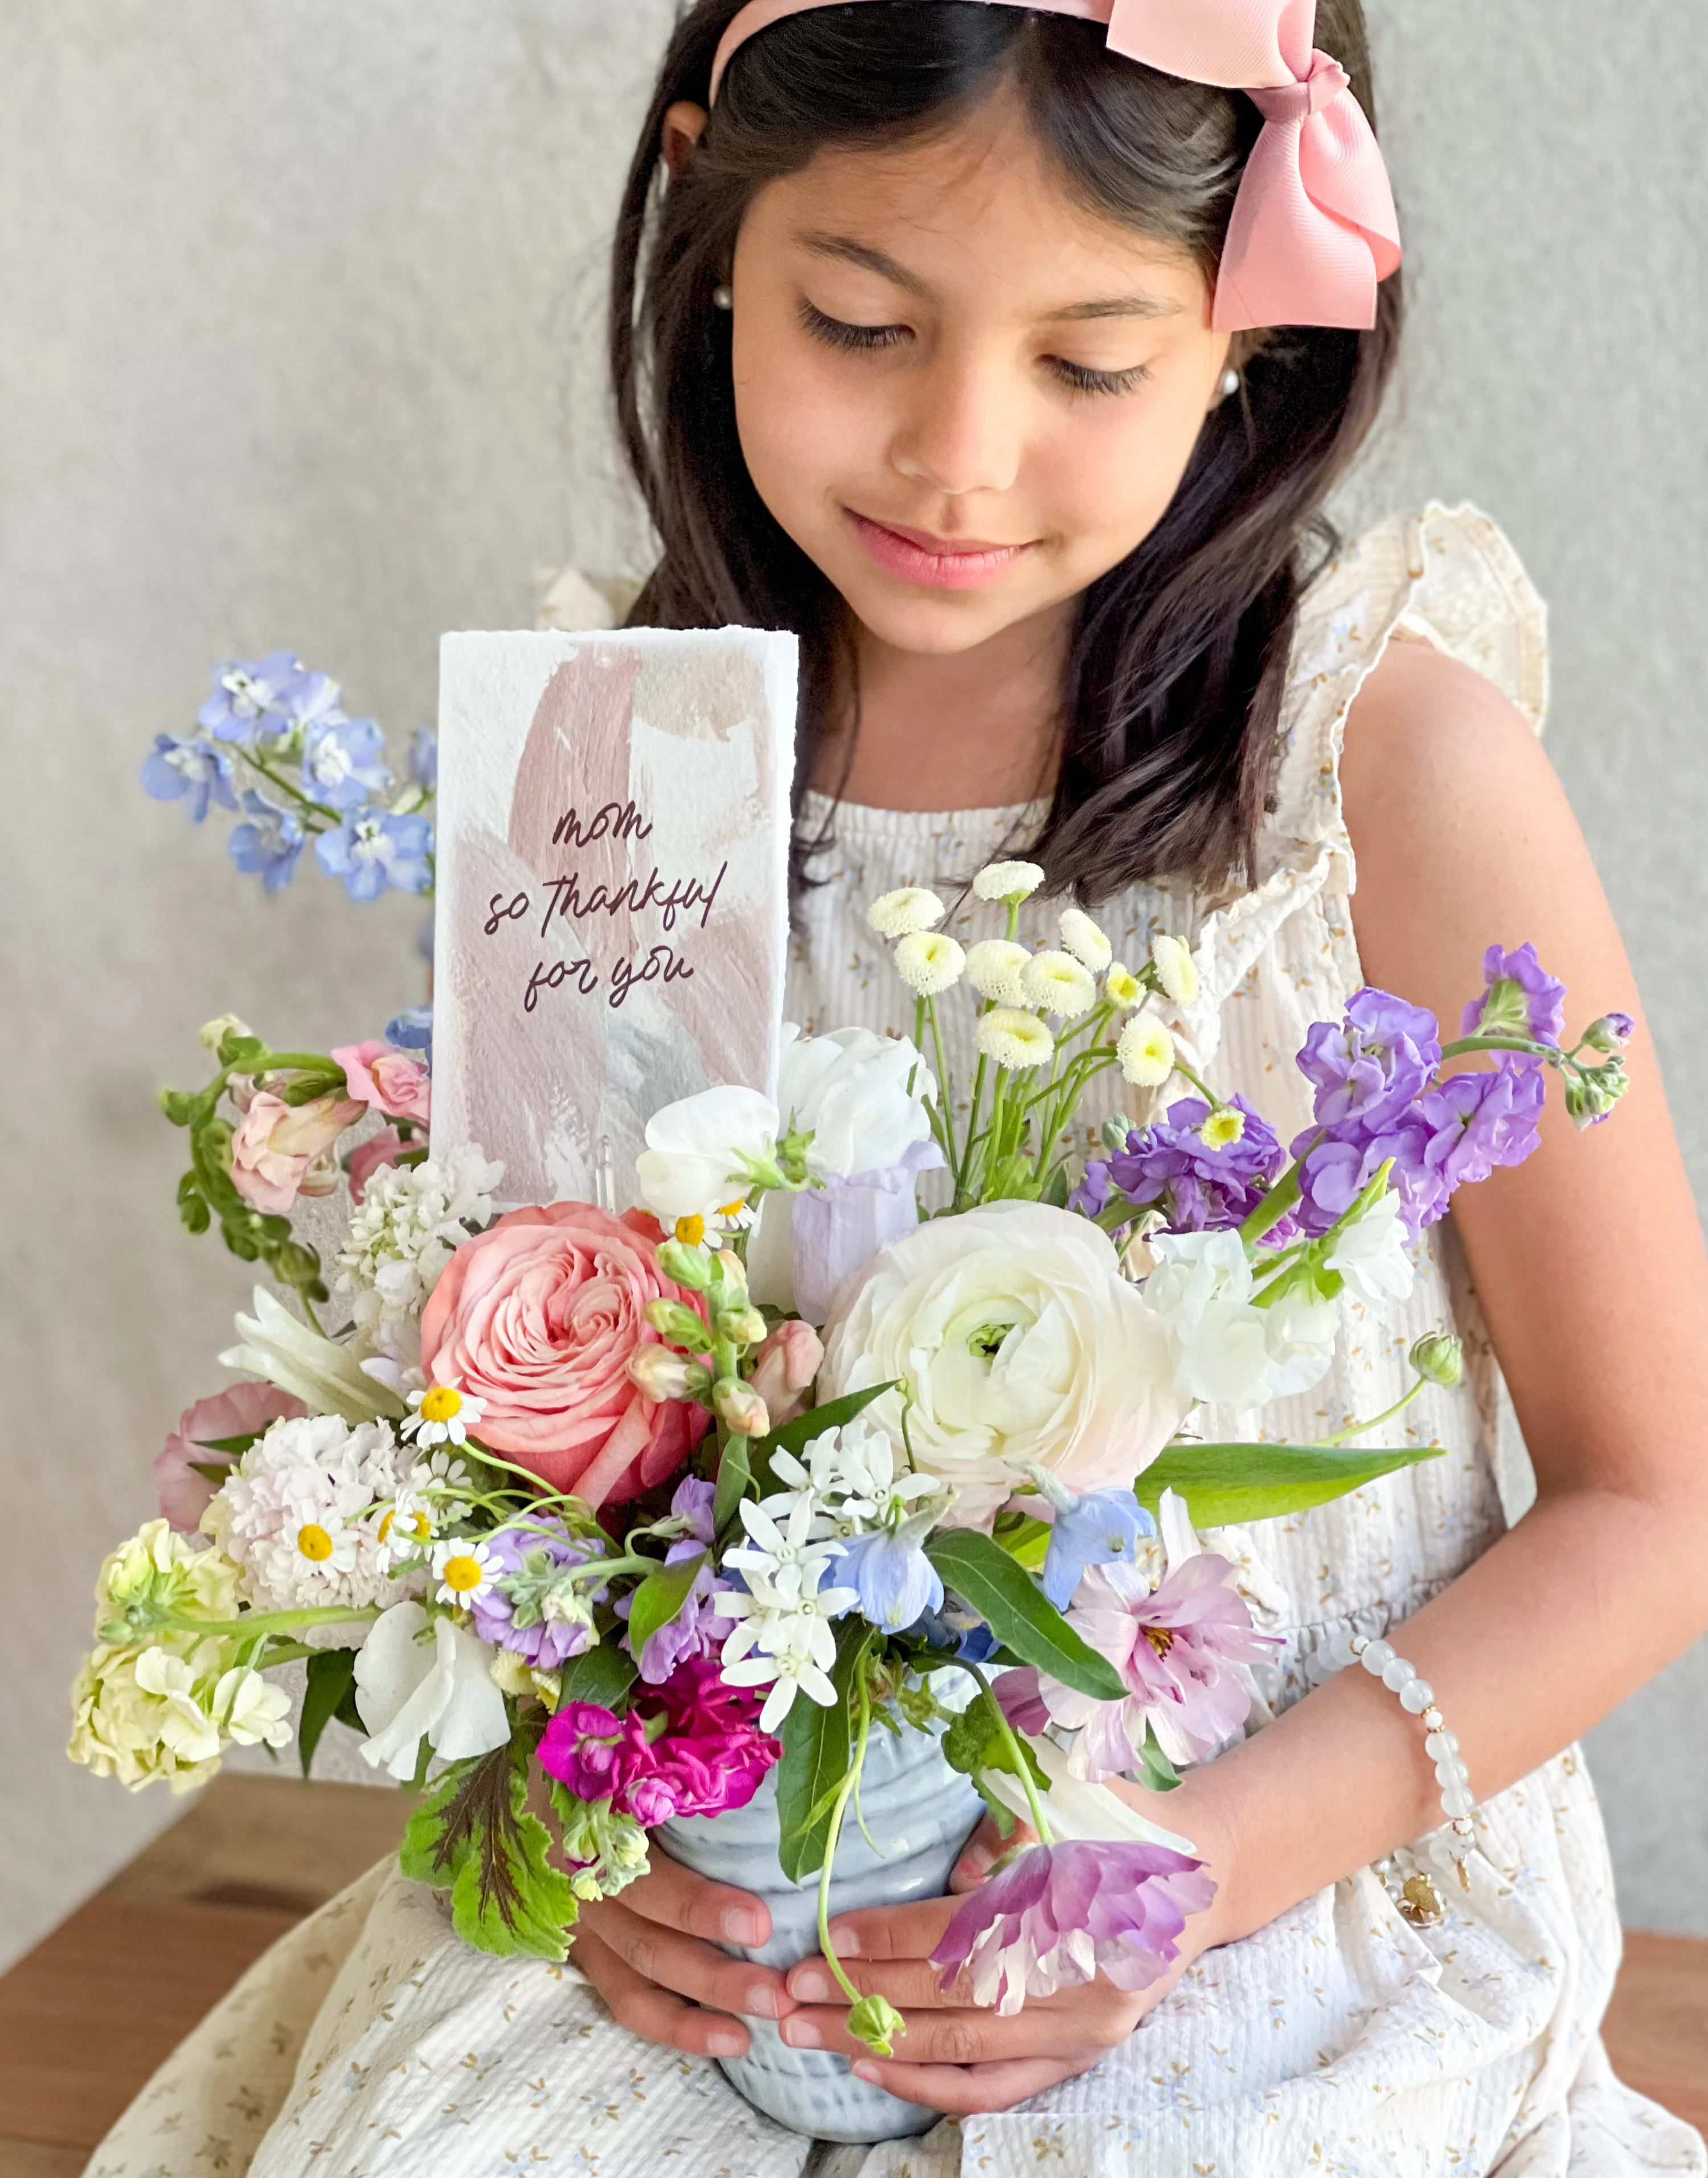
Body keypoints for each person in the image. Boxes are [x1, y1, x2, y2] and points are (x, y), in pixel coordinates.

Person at [87, 3, 1708, 2173]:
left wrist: (1197, 1863)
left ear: (1251, 328)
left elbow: (1653, 1501)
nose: (959, 454)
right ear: (713, 229)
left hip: (1274, 1901)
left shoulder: (1373, 764)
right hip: (727, 1901)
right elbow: (555, 1456)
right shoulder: (622, 747)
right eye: (862, 322)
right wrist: (594, 1837)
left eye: (1088, 362)